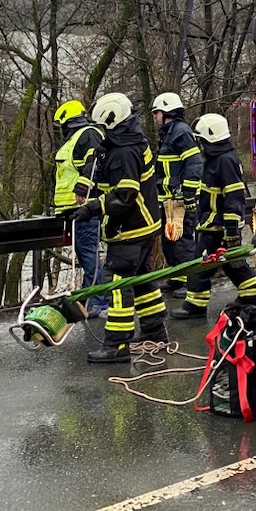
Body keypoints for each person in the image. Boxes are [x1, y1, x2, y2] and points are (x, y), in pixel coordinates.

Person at [68, 92, 166, 363]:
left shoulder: (123, 151)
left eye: (102, 127)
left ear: (112, 121)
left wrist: (92, 208)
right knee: (143, 279)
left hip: (131, 228)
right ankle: (155, 331)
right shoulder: (130, 140)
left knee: (119, 282)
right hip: (146, 224)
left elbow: (124, 196)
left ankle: (117, 345)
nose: (101, 133)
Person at [172, 113, 256, 319]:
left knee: (199, 265)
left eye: (201, 140)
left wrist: (231, 230)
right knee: (232, 264)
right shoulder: (214, 160)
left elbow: (234, 198)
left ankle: (195, 306)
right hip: (211, 224)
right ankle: (250, 298)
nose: (200, 144)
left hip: (219, 227)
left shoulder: (225, 162)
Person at [51, 99, 107, 317]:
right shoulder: (77, 138)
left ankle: (98, 301)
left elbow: (94, 162)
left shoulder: (88, 134)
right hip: (74, 209)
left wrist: (83, 188)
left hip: (85, 206)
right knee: (85, 255)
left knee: (88, 253)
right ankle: (89, 299)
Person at [152, 92, 202, 297]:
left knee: (183, 241)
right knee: (170, 240)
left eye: (157, 113)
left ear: (167, 112)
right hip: (168, 198)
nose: (155, 117)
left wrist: (188, 193)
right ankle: (177, 277)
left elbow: (194, 163)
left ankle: (189, 282)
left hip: (181, 198)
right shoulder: (169, 133)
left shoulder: (180, 132)